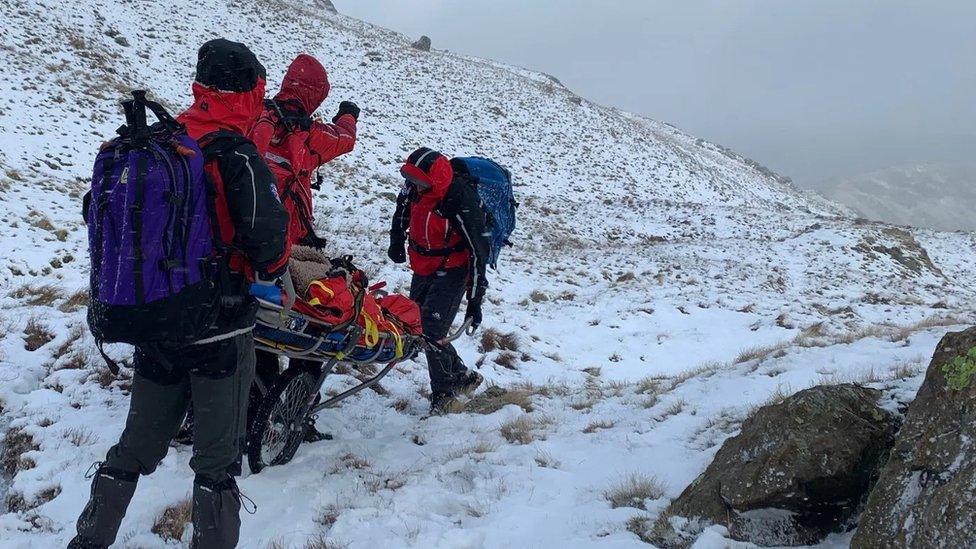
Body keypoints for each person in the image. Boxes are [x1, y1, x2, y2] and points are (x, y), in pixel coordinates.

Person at [69, 39, 288, 549]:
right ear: (252, 91)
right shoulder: (237, 154)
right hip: (219, 325)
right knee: (215, 463)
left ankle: (88, 540)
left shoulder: (160, 141)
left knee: (136, 445)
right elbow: (269, 245)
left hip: (155, 315)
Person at [247, 53, 359, 441]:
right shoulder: (313, 135)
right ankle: (293, 408)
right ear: (317, 96)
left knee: (252, 321)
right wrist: (348, 115)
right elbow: (345, 140)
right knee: (312, 327)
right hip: (291, 246)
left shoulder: (253, 115)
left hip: (243, 240)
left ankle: (247, 402)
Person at [388, 147, 488, 414]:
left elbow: (479, 251)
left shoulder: (457, 198)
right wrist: (396, 239)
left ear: (434, 180)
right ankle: (461, 376)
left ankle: (444, 396)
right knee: (416, 325)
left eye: (420, 181)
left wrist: (475, 300)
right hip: (423, 265)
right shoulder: (414, 188)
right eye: (411, 179)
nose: (414, 186)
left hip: (453, 270)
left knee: (431, 330)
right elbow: (402, 210)